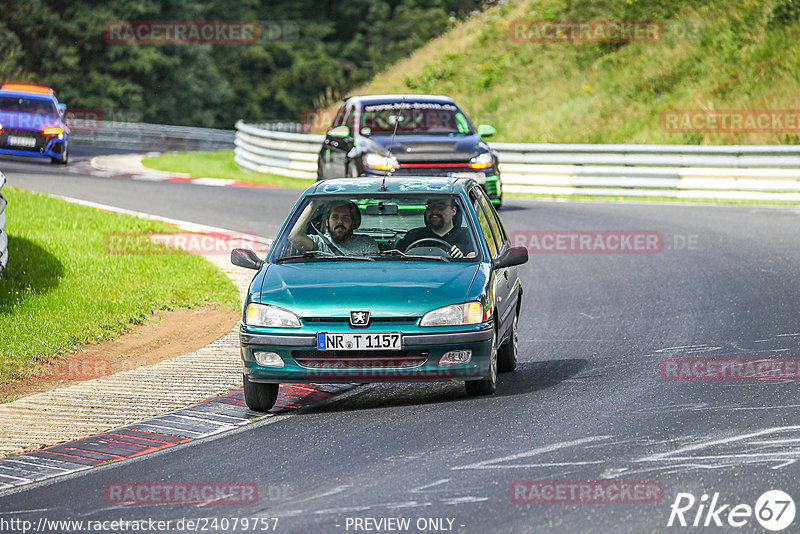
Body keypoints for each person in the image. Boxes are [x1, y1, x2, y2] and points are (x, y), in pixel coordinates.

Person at [288, 199, 378, 255]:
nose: (340, 222)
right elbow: (294, 237)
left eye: (345, 218)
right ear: (327, 222)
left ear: (353, 222)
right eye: (335, 217)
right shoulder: (319, 243)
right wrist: (313, 205)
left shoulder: (367, 244)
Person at [396, 197, 476, 258]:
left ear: (454, 211)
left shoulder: (468, 235)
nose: (434, 211)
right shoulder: (413, 236)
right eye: (429, 206)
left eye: (440, 206)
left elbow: (476, 259)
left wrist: (462, 258)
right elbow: (396, 258)